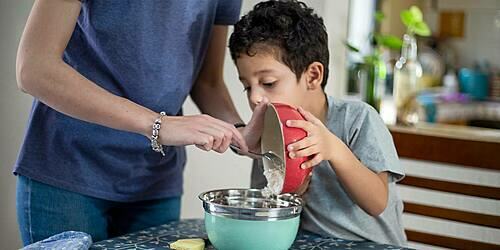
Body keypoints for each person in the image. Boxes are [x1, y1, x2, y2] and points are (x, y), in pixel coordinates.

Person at [14, 0, 267, 245]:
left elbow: (207, 83)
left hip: (155, 182)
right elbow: (34, 69)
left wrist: (239, 134)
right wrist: (158, 124)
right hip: (68, 169)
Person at [228, 0, 407, 246]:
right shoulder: (268, 136)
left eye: (268, 83)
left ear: (312, 75)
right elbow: (270, 210)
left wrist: (335, 150)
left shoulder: (357, 118)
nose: (254, 97)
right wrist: (293, 195)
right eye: (247, 86)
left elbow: (377, 203)